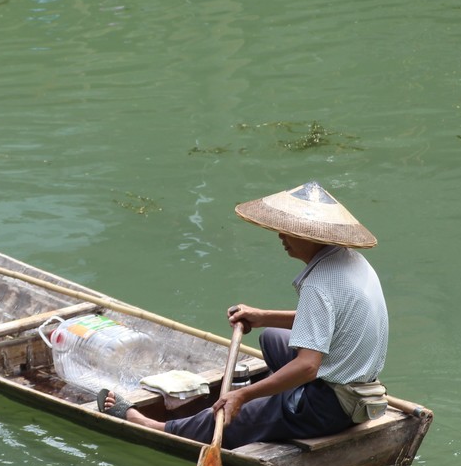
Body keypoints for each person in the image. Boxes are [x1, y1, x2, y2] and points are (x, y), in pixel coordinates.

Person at [100, 180, 389, 448]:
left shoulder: (319, 284)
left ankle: (155, 426)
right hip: (351, 384)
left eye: (289, 231)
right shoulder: (352, 262)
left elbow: (307, 367)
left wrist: (243, 395)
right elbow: (329, 322)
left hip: (330, 406)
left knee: (234, 412)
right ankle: (279, 393)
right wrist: (263, 317)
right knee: (272, 337)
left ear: (310, 235)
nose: (281, 236)